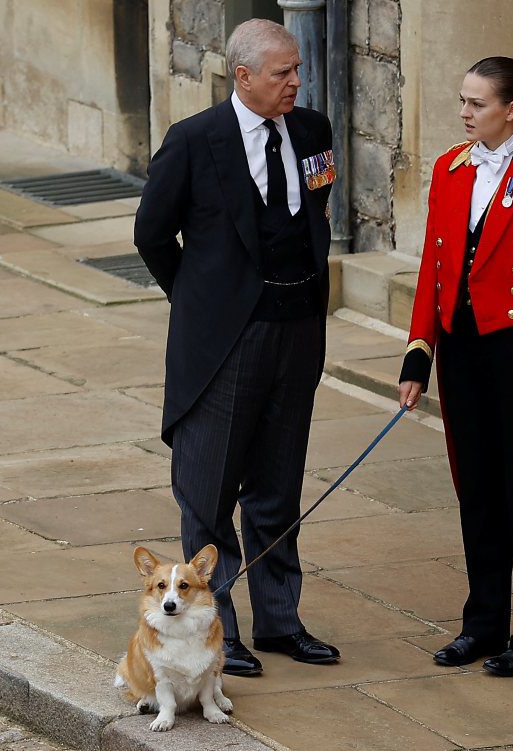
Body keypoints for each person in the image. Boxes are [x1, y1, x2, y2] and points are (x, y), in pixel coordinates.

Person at [134, 18, 340, 677]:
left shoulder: (312, 132)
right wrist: (201, 303)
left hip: (298, 332)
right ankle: (217, 625)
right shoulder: (193, 141)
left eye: (299, 70)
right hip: (225, 342)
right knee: (209, 487)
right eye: (283, 73)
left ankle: (280, 620)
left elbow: (316, 210)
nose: (296, 83)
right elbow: (151, 235)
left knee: (278, 485)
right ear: (243, 76)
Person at [398, 56, 513, 677]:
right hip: (463, 352)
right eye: (462, 100)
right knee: (476, 492)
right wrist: (418, 354)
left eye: (476, 104)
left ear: (512, 110)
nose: (464, 113)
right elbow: (433, 267)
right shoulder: (451, 169)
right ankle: (481, 625)